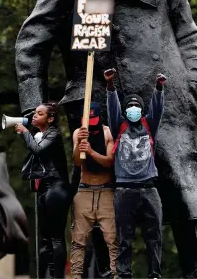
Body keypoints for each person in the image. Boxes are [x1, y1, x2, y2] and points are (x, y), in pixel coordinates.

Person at [15, 0, 197, 277]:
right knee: (100, 204)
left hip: (166, 101)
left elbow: (187, 31)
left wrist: (194, 81)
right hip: (99, 102)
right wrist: (35, 112)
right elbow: (30, 46)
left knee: (187, 190)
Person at [105, 68, 166, 279]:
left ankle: (155, 274)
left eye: (136, 106)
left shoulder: (150, 126)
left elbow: (157, 109)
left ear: (142, 110)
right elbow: (112, 109)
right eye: (130, 106)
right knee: (124, 237)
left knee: (155, 235)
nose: (133, 108)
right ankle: (124, 275)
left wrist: (159, 88)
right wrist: (110, 86)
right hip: (124, 190)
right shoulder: (118, 126)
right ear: (125, 110)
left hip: (149, 188)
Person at [15, 103, 71, 279]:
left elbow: (37, 150)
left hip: (56, 187)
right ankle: (50, 275)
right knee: (46, 239)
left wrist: (25, 132)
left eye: (40, 114)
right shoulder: (40, 135)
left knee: (56, 237)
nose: (35, 116)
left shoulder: (53, 134)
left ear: (51, 118)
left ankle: (58, 277)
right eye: (35, 113)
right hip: (44, 188)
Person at [70, 102, 118, 279]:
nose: (91, 123)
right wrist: (79, 144)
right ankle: (75, 277)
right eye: (88, 119)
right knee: (78, 241)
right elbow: (76, 162)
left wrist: (90, 151)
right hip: (84, 191)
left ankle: (116, 275)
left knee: (113, 240)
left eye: (94, 119)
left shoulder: (107, 132)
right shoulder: (78, 132)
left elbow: (109, 162)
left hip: (105, 190)